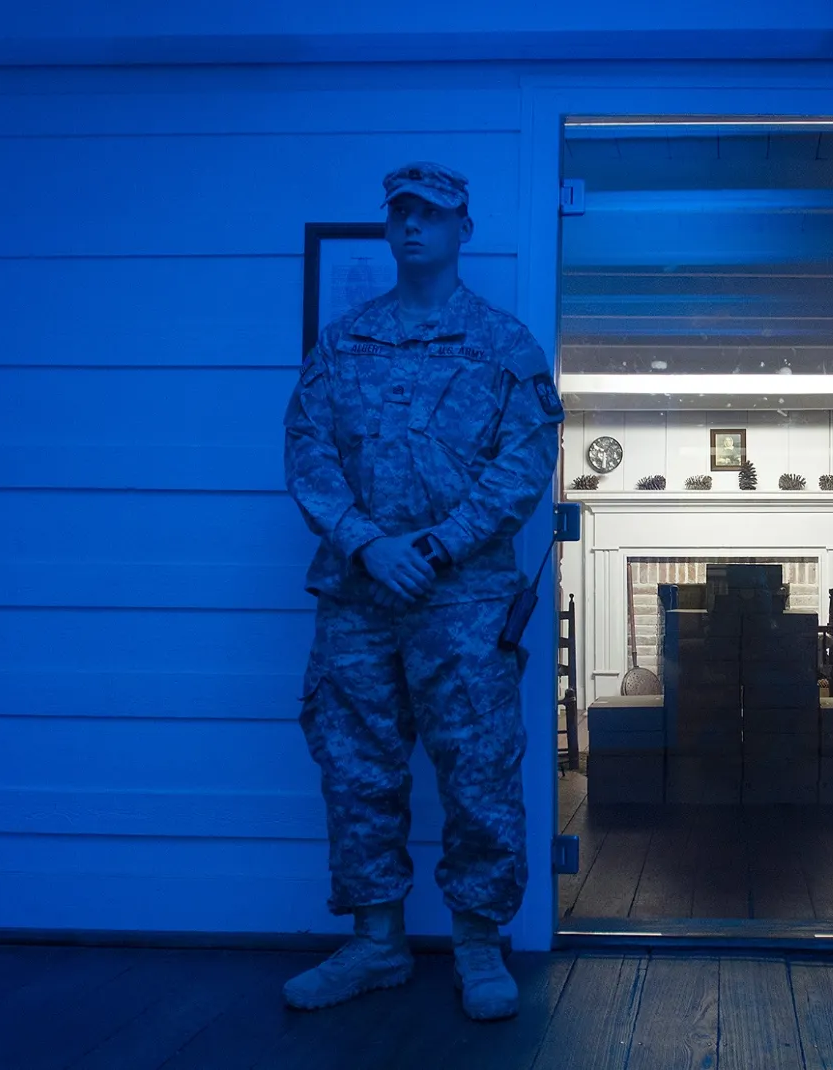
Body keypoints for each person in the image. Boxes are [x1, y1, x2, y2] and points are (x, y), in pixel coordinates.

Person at [280, 162, 562, 1020]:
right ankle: (377, 942)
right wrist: (369, 545)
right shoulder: (343, 341)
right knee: (356, 771)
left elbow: (524, 466)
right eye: (399, 214)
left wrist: (432, 549)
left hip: (464, 601)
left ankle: (479, 944)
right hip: (360, 600)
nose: (411, 228)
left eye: (430, 215)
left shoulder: (504, 345)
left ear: (462, 229)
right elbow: (307, 451)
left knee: (479, 772)